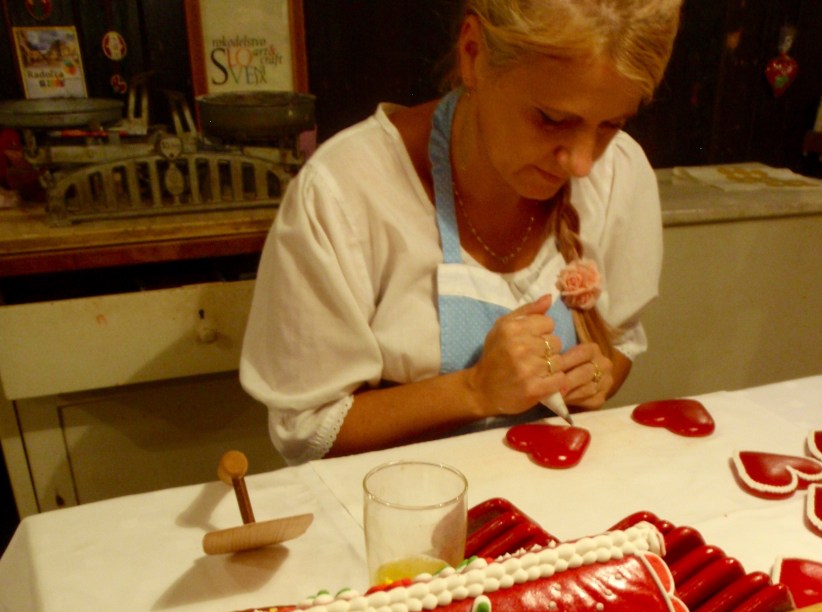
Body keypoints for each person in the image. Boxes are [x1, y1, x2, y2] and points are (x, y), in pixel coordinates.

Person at [240, 0, 683, 465]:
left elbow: (622, 342)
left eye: (611, 124)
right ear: (473, 53)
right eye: (552, 119)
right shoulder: (345, 194)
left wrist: (598, 376)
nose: (582, 162)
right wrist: (474, 390)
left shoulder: (619, 173)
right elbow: (307, 432)